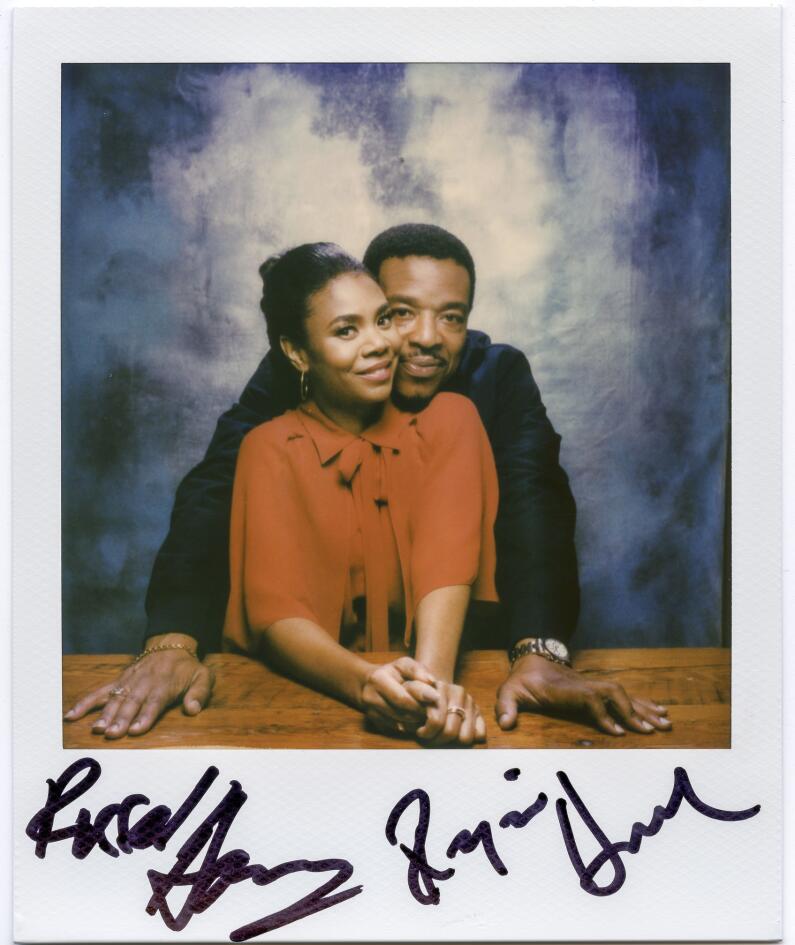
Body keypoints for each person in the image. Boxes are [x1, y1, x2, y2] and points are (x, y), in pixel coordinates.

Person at [66, 223, 671, 740]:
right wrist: (172, 641)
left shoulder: (488, 381)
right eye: (401, 312)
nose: (424, 339)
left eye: (452, 317)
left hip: (451, 660)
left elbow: (535, 497)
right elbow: (215, 489)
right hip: (315, 681)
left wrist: (537, 652)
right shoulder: (291, 392)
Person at [222, 243, 498, 746]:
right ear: (297, 352)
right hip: (310, 707)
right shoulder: (267, 449)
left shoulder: (449, 420)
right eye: (347, 331)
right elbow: (275, 612)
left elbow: (448, 562)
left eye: (383, 320)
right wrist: (365, 684)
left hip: (427, 694)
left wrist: (427, 694)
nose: (379, 344)